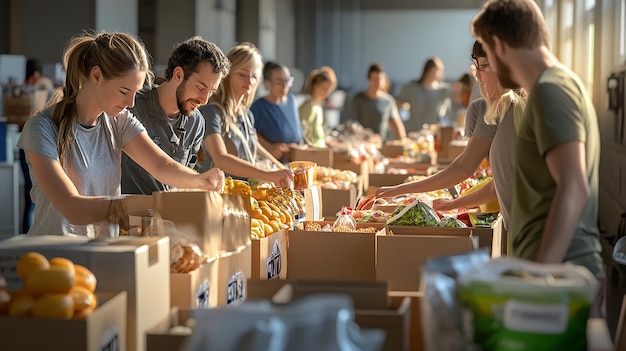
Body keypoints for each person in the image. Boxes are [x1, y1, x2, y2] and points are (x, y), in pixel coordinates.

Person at [16, 31, 225, 238]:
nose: (131, 103)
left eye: (135, 93)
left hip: (106, 257)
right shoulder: (42, 128)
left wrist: (202, 180)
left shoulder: (119, 121)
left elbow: (162, 166)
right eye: (124, 91)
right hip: (54, 263)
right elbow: (73, 209)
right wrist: (150, 206)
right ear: (96, 75)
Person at [471, 0, 604, 315]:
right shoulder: (551, 87)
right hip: (554, 273)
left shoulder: (551, 90)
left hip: (559, 278)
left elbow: (574, 186)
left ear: (500, 46)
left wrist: (538, 278)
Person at [376, 41, 526, 232]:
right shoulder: (517, 105)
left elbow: (463, 168)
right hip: (522, 230)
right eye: (476, 67)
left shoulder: (505, 108)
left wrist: (401, 189)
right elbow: (498, 185)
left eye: (483, 67)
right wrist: (451, 205)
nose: (478, 76)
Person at [121, 36, 230, 194]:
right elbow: (161, 166)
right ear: (178, 75)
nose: (204, 100)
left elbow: (183, 183)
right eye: (200, 88)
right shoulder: (131, 107)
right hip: (128, 214)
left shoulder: (197, 122)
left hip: (171, 215)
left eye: (211, 92)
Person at [197, 43, 293, 187]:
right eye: (242, 74)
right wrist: (268, 174)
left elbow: (255, 145)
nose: (249, 82)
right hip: (220, 195)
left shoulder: (246, 114)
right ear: (227, 75)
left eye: (254, 76)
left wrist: (282, 169)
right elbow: (220, 158)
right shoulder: (212, 112)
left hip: (246, 192)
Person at [250, 61, 303, 163]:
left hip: (294, 162)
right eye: (279, 82)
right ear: (267, 83)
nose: (284, 86)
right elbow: (249, 135)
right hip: (270, 164)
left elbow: (298, 131)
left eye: (287, 81)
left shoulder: (291, 100)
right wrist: (269, 147)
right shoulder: (258, 107)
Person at [343, 62, 406, 142]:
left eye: (379, 79)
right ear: (369, 80)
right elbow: (349, 123)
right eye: (374, 79)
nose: (377, 83)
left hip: (381, 144)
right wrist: (364, 134)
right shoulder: (358, 99)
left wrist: (403, 141)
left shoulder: (388, 101)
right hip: (362, 145)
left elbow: (396, 124)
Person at [395, 56, 457, 132]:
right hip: (415, 132)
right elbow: (396, 102)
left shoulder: (444, 90)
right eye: (433, 71)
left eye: (438, 71)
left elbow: (459, 96)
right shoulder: (412, 88)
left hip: (434, 134)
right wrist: (403, 107)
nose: (435, 74)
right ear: (426, 71)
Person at [298, 66, 337, 147]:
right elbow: (304, 135)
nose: (326, 92)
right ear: (315, 86)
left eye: (328, 90)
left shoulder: (318, 105)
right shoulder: (308, 107)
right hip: (313, 152)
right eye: (324, 88)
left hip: (321, 149)